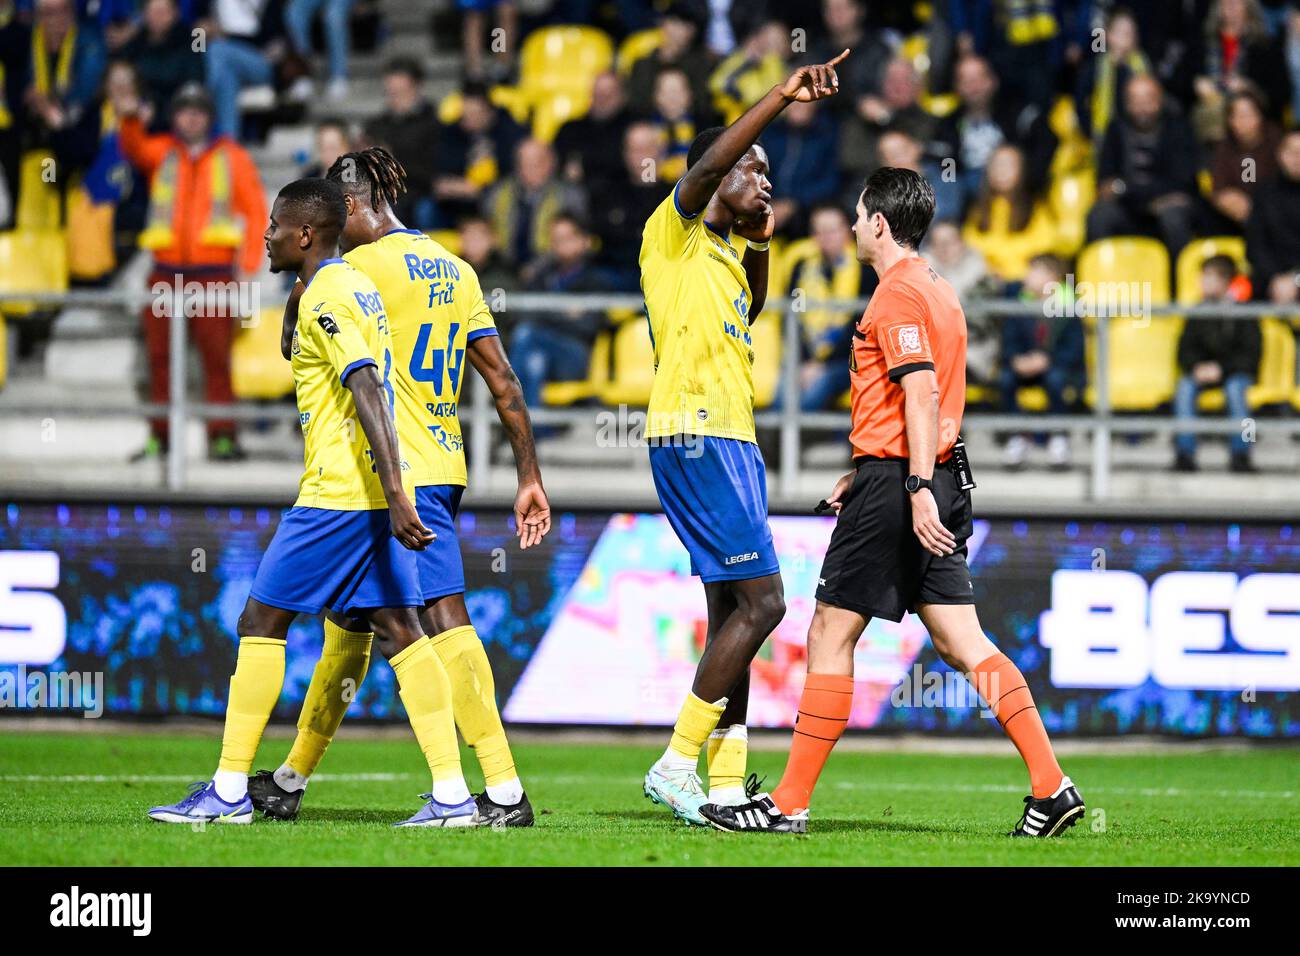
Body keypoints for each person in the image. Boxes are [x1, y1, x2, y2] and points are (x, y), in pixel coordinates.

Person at [701, 166, 1084, 836]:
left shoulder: (898, 294)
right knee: (963, 641)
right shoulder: (937, 285)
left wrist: (903, 483)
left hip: (906, 482)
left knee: (830, 630)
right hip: (932, 471)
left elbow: (921, 392)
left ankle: (788, 803)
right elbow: (916, 400)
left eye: (856, 216)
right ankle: (1052, 787)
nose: (851, 226)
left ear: (879, 223)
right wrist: (874, 466)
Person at [147, 178, 482, 828]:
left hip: (336, 501)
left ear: (304, 234)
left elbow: (366, 383)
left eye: (274, 225)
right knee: (402, 632)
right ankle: (452, 797)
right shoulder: (350, 284)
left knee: (259, 623)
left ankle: (227, 793)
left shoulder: (331, 289)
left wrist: (394, 492)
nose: (265, 235)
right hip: (369, 499)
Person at [252, 148, 551, 827]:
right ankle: (292, 777)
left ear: (352, 207)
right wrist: (528, 474)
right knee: (352, 623)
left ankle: (502, 792)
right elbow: (503, 384)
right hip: (445, 464)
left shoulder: (348, 270)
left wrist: (305, 281)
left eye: (332, 211)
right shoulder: (455, 267)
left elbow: (290, 346)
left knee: (440, 617)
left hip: (392, 478)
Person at [639, 48, 850, 827]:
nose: (765, 177)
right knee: (765, 603)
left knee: (735, 611)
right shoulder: (677, 224)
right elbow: (716, 158)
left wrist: (760, 239)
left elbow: (751, 307)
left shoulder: (724, 253)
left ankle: (725, 787)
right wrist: (783, 97)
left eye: (768, 170)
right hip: (695, 434)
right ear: (712, 173)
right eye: (750, 167)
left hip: (731, 440)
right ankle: (675, 764)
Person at [114, 82, 266, 462]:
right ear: (175, 116)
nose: (191, 116)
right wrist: (131, 117)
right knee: (159, 359)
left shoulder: (233, 157)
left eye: (198, 110)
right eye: (184, 110)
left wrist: (248, 267)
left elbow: (258, 212)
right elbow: (131, 148)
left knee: (216, 359)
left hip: (214, 275)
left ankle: (223, 438)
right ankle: (159, 438)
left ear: (209, 117)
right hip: (164, 274)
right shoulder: (162, 151)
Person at [1087, 74, 1198, 262]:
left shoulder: (1178, 128)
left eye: (1148, 100)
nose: (1142, 108)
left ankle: (1177, 285)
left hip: (1165, 211)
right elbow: (1104, 183)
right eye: (1135, 101)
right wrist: (1148, 198)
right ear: (1127, 103)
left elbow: (1182, 184)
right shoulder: (1115, 129)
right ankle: (1103, 279)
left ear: (1160, 100)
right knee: (1099, 215)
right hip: (1128, 210)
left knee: (1174, 218)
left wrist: (1124, 188)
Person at [509, 212, 612, 412]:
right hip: (542, 350)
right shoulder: (542, 275)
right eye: (555, 239)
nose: (560, 245)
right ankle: (535, 429)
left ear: (584, 241)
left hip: (577, 356)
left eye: (567, 238)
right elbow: (522, 313)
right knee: (535, 361)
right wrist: (563, 313)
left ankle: (510, 414)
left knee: (526, 333)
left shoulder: (596, 280)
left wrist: (545, 313)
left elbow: (587, 326)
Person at [1172, 255, 1260, 473]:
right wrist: (1196, 367)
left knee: (1237, 390)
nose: (1201, 283)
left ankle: (1243, 452)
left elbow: (1250, 355)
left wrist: (1222, 369)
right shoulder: (1197, 312)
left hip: (1235, 373)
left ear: (1224, 281)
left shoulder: (1244, 313)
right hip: (1204, 373)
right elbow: (1184, 350)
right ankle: (1185, 452)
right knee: (1184, 387)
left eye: (1207, 277)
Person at [998, 254, 1084, 470]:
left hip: (1057, 366)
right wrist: (1016, 359)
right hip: (1026, 365)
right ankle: (1018, 435)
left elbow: (1074, 347)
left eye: (1035, 271)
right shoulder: (1018, 302)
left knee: (1056, 380)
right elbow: (1009, 338)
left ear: (1052, 277)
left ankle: (1058, 436)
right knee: (1006, 379)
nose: (1027, 276)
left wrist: (1047, 359)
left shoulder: (1069, 306)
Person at [962, 143, 1057, 284]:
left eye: (1009, 165)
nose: (1002, 170)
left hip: (1024, 284)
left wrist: (1006, 267)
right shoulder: (978, 211)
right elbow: (971, 245)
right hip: (987, 283)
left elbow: (1044, 247)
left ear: (1022, 170)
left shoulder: (1037, 209)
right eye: (997, 164)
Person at [363, 58, 440, 228]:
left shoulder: (434, 123)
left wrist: (392, 161)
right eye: (390, 92)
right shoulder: (376, 125)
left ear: (417, 87)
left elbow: (435, 171)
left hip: (419, 194)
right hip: (382, 194)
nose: (394, 97)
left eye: (400, 91)